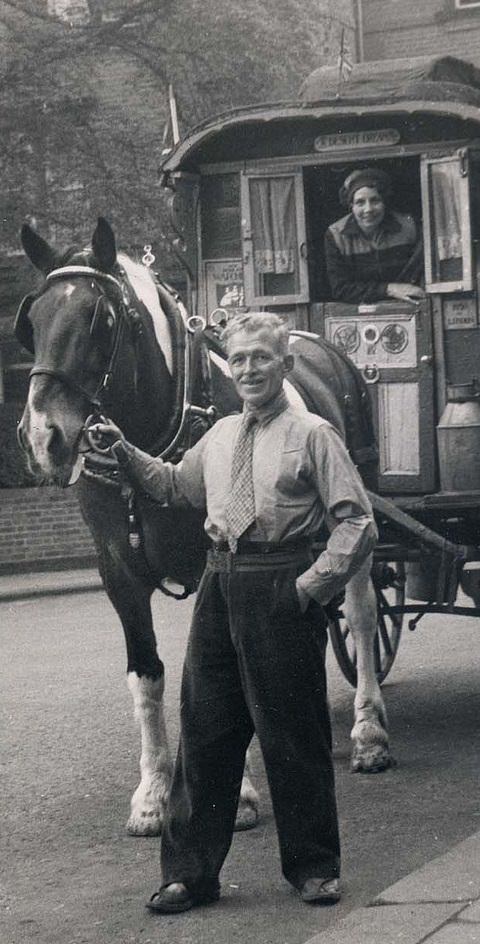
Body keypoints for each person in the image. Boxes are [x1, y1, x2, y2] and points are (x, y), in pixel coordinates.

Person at [88, 311, 378, 914]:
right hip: (221, 584)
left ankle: (314, 869)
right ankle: (190, 875)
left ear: (285, 365)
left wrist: (312, 586)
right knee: (205, 734)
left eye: (261, 359)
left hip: (281, 581)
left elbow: (356, 521)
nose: (248, 370)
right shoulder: (219, 436)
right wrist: (125, 453)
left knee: (293, 735)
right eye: (238, 359)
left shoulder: (314, 435)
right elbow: (173, 486)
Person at [324, 166, 425, 305]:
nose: (368, 209)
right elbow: (341, 289)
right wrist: (389, 289)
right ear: (351, 206)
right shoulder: (336, 235)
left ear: (384, 202)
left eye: (375, 200)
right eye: (360, 202)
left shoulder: (409, 227)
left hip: (409, 305)